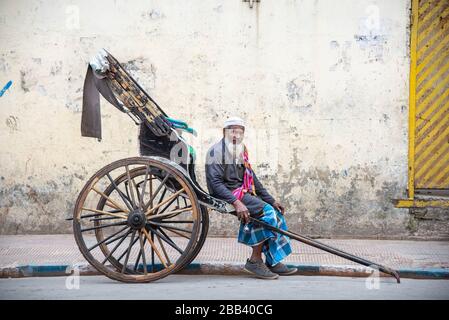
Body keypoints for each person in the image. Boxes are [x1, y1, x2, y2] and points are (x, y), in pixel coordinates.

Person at [205, 116, 297, 279]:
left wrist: (271, 200)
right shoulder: (216, 152)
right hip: (226, 193)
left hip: (241, 192)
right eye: (233, 131)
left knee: (275, 212)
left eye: (240, 132)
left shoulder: (240, 150)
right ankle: (255, 261)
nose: (236, 136)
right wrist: (237, 203)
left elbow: (251, 178)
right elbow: (215, 184)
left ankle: (272, 261)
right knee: (267, 213)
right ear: (225, 132)